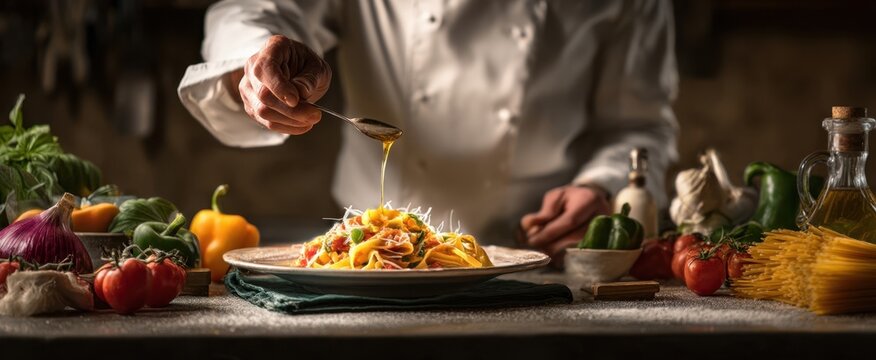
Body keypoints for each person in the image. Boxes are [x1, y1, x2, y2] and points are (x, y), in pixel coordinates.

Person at [178, 0, 679, 264]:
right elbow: (247, 7)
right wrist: (256, 57)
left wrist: (602, 186)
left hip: (536, 257)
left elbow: (640, 126)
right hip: (362, 267)